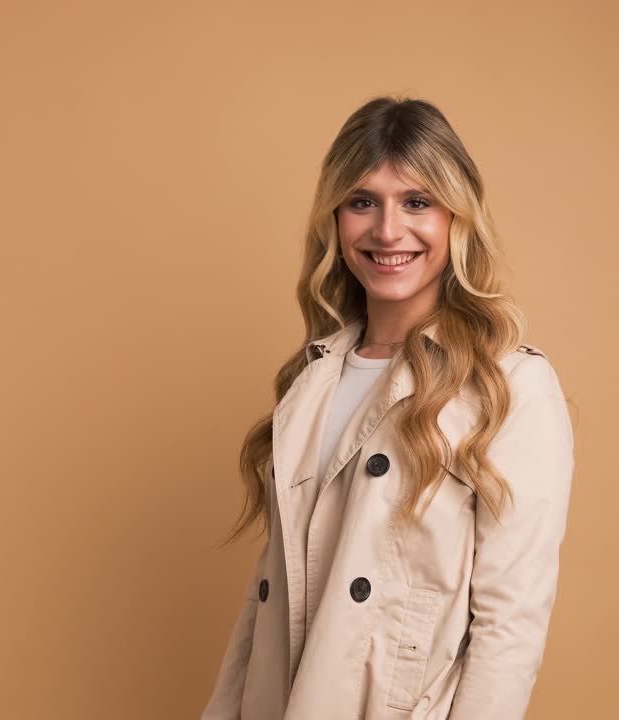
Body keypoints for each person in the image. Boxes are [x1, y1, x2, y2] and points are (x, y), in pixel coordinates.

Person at [200, 94, 575, 720]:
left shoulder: (508, 384)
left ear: (457, 217)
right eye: (362, 201)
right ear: (335, 218)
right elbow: (268, 600)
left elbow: (511, 626)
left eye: (418, 202)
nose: (387, 230)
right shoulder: (313, 375)